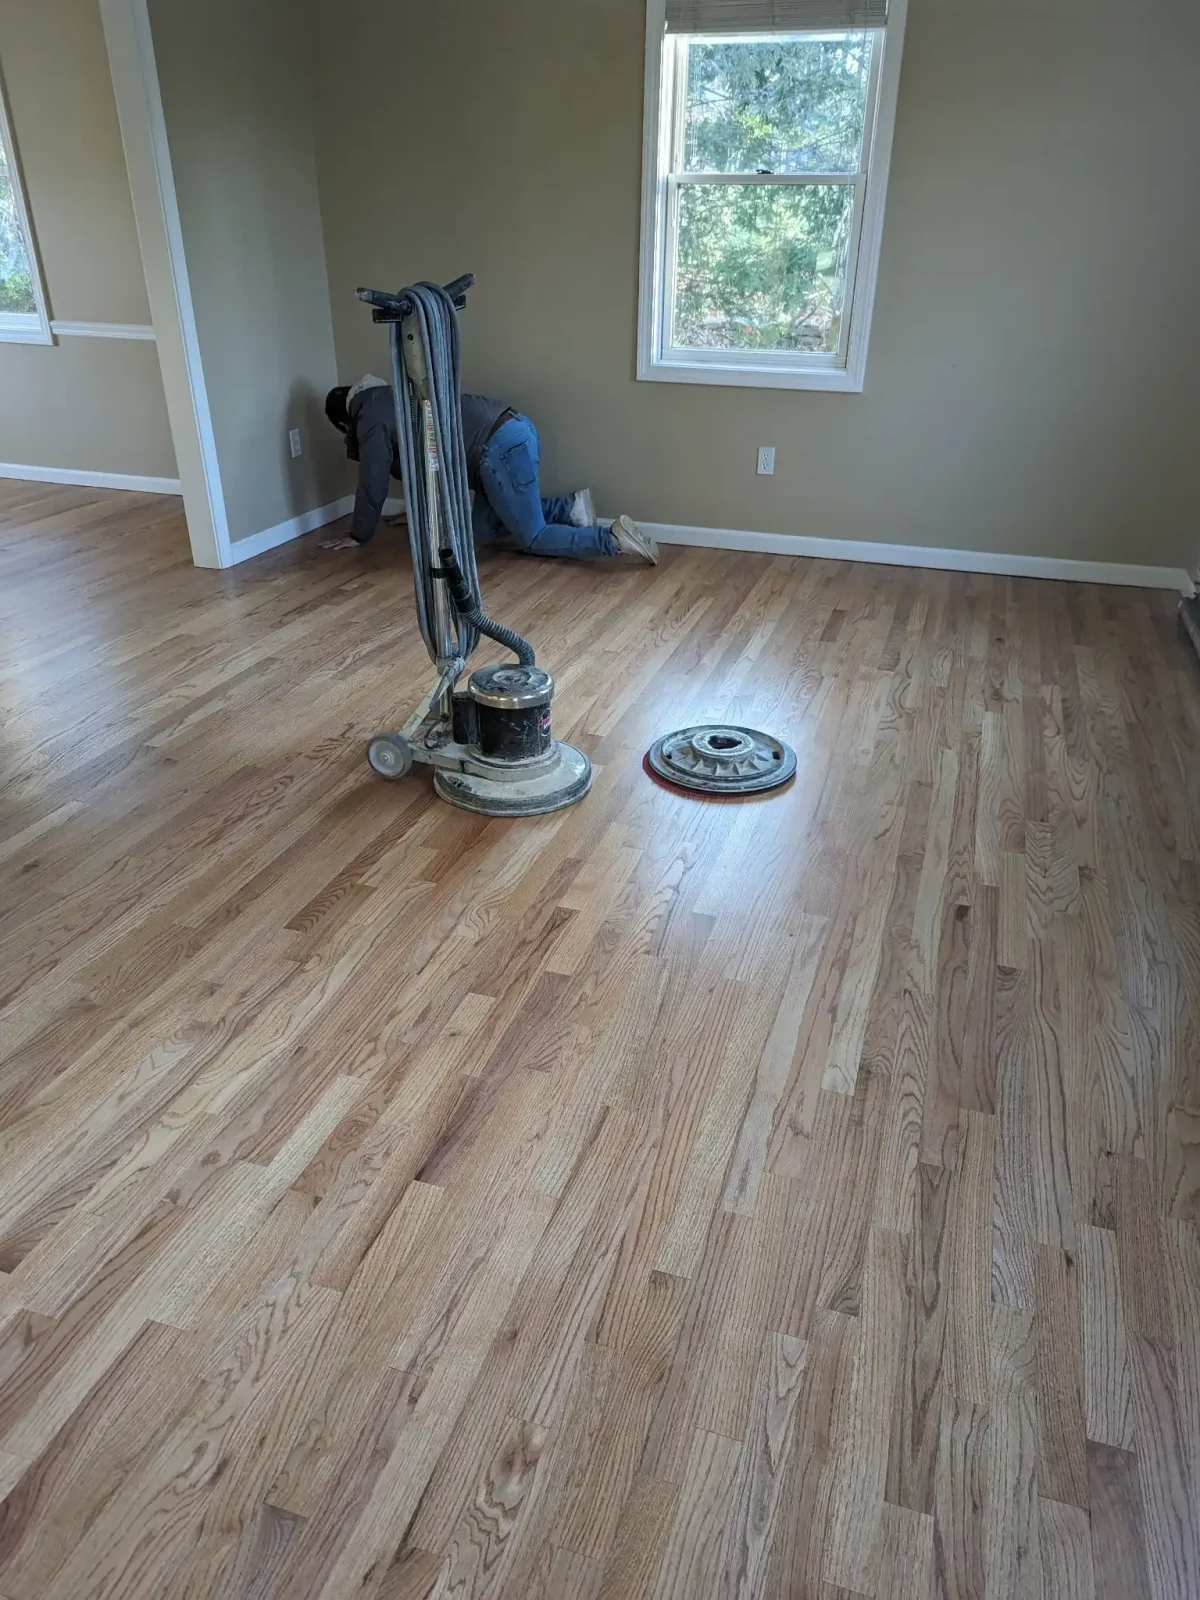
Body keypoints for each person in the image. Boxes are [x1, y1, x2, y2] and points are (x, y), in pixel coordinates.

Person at [321, 377, 657, 564]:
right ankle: (568, 508)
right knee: (479, 527)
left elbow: (373, 480)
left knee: (533, 538)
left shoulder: (369, 418)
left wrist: (358, 534)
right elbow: (429, 470)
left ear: (343, 421)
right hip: (515, 429)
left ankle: (612, 539)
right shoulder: (392, 395)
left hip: (497, 449)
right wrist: (416, 514)